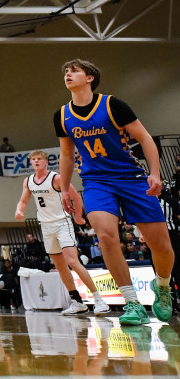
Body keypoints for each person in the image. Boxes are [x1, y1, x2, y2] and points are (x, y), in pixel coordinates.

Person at [56, 59, 174, 325]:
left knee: (162, 246)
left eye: (74, 70)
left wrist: (154, 173)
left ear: (90, 78)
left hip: (131, 178)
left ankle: (163, 286)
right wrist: (65, 189)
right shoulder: (62, 115)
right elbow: (67, 153)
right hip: (96, 180)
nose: (68, 74)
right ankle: (132, 302)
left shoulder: (113, 105)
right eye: (66, 71)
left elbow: (144, 138)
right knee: (106, 236)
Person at [15, 148, 111, 316]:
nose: (36, 161)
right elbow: (23, 200)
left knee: (72, 261)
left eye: (39, 159)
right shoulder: (28, 181)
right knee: (59, 265)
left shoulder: (56, 178)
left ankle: (99, 299)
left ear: (46, 162)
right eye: (33, 159)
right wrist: (19, 210)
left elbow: (77, 197)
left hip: (62, 223)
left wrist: (79, 216)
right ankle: (76, 301)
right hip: (45, 225)